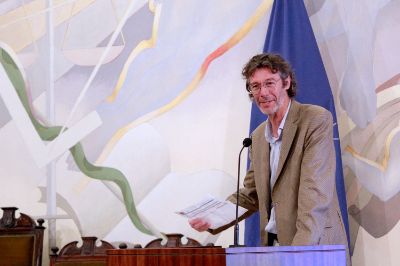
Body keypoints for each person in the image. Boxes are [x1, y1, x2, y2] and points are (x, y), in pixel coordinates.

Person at [189, 53, 348, 250]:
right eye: (255, 86)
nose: (262, 92)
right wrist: (212, 218)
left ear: (286, 82)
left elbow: (314, 194)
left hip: (313, 245)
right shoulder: (257, 138)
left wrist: (298, 253)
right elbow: (251, 195)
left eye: (269, 83)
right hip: (274, 246)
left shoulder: (314, 120)